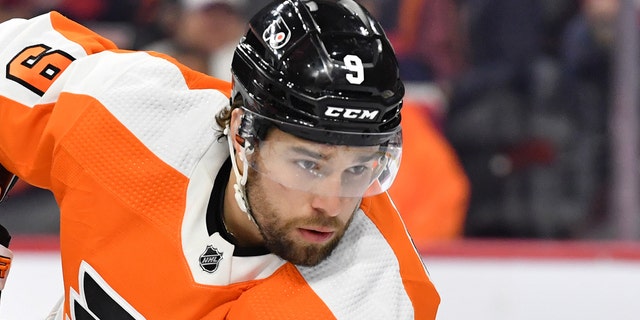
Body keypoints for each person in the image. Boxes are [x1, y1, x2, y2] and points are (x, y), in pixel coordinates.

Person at [0, 0, 440, 318]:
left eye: (358, 169)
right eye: (309, 164)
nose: (331, 203)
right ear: (241, 134)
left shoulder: (369, 300)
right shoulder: (126, 114)